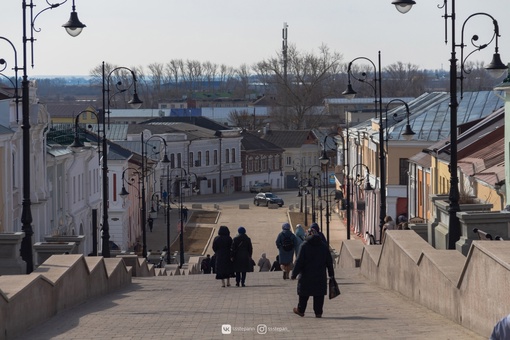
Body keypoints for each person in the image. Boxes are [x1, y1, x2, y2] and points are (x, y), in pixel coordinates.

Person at [291, 227, 335, 318]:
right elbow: (329, 262)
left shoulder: (304, 246)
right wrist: (331, 275)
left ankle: (301, 310)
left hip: (306, 276)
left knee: (303, 294)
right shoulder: (323, 246)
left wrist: (294, 274)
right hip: (320, 276)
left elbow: (299, 261)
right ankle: (318, 312)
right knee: (319, 295)